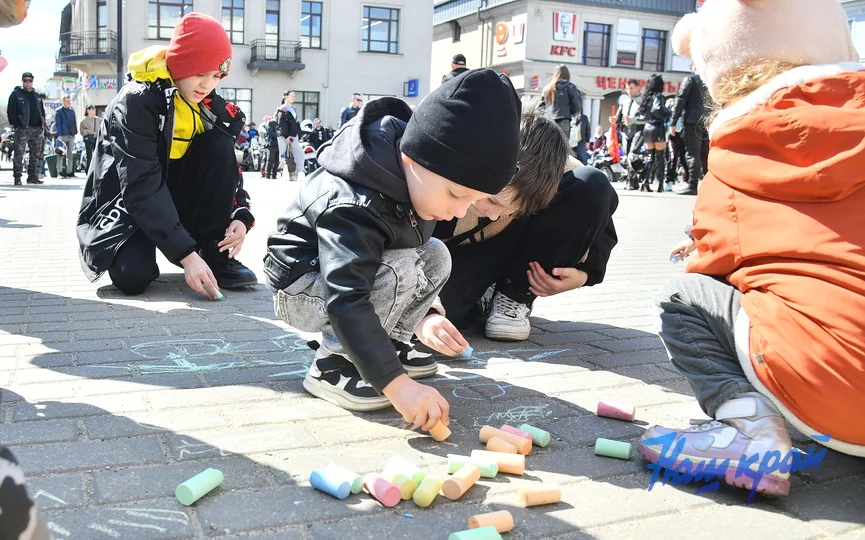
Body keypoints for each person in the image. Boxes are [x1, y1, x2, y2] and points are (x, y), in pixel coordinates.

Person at [640, 0, 865, 498]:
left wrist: (707, 247)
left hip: (841, 392)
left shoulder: (742, 149)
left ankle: (754, 435)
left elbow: (712, 265)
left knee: (683, 297)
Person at [265, 69, 522, 429]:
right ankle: (333, 365)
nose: (459, 211)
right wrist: (395, 384)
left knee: (436, 253)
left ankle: (391, 346)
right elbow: (346, 297)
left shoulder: (419, 182)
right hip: (302, 288)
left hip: (346, 279)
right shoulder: (355, 201)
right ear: (415, 159)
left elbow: (416, 256)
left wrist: (426, 314)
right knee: (396, 268)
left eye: (472, 201)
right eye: (455, 195)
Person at [77, 12, 258, 298]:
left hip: (170, 196)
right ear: (181, 63)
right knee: (132, 277)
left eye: (216, 76)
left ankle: (214, 253)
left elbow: (225, 167)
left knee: (220, 143)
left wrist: (240, 216)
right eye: (200, 73)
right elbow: (141, 183)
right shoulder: (136, 101)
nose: (207, 85)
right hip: (128, 202)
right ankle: (178, 248)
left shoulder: (208, 105)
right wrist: (186, 255)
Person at [436, 102, 617, 341]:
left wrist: (585, 275)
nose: (493, 214)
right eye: (491, 200)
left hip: (515, 246)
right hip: (460, 252)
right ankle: (481, 295)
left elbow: (599, 220)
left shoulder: (555, 170)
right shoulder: (450, 161)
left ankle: (514, 294)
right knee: (441, 313)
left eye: (506, 208)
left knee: (591, 184)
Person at [670, 65, 710, 196]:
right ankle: (709, 184)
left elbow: (680, 99)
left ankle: (692, 184)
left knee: (693, 153)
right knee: (705, 154)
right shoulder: (711, 79)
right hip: (708, 121)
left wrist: (673, 121)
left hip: (692, 121)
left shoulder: (690, 80)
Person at [633, 74, 671, 193]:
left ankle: (645, 182)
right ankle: (660, 184)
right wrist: (668, 112)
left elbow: (640, 113)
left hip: (648, 127)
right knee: (660, 157)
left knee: (650, 156)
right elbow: (657, 110)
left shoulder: (647, 97)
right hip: (657, 127)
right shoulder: (658, 96)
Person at [6, 72, 45, 185]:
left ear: (32, 82)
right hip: (23, 128)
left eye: (30, 81)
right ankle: (17, 177)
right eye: (25, 81)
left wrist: (42, 123)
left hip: (37, 128)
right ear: (22, 81)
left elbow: (41, 111)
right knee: (19, 153)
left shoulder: (36, 96)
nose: (27, 83)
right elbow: (11, 111)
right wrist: (16, 125)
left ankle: (33, 177)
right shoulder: (16, 94)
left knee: (36, 154)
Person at [612, 79, 643, 190]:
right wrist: (614, 119)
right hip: (626, 131)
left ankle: (631, 181)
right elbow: (618, 116)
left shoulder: (643, 101)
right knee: (626, 156)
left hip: (638, 130)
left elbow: (647, 117)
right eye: (627, 88)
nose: (629, 91)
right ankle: (633, 181)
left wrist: (633, 120)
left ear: (638, 88)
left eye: (631, 88)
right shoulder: (624, 101)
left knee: (632, 155)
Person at [542, 64, 582, 139]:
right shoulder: (570, 86)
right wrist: (574, 114)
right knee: (563, 143)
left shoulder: (548, 88)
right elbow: (576, 104)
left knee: (550, 143)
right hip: (564, 120)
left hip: (550, 121)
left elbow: (541, 106)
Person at [275, 90, 302, 181]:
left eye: (294, 96)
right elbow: (281, 123)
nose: (293, 98)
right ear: (286, 97)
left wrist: (299, 133)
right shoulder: (282, 109)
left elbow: (295, 122)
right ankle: (284, 173)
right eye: (292, 96)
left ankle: (296, 173)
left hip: (293, 135)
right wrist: (286, 136)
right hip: (283, 136)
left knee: (299, 154)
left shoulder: (293, 108)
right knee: (283, 155)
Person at [54, 96, 78, 177]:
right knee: (60, 154)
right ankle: (60, 172)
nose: (69, 103)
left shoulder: (72, 111)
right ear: (63, 101)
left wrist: (74, 133)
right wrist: (59, 135)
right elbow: (58, 124)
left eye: (69, 101)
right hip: (62, 135)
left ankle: (69, 172)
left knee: (70, 154)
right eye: (67, 101)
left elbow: (74, 122)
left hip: (71, 135)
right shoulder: (58, 111)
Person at [79, 104, 99, 173]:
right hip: (89, 139)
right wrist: (90, 132)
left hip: (97, 139)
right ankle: (88, 171)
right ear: (88, 110)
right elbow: (82, 131)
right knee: (89, 156)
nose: (94, 111)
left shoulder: (98, 119)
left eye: (94, 110)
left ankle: (96, 170)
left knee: (97, 155)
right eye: (92, 110)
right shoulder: (83, 121)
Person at [261, 115, 280, 179]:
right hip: (271, 144)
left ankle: (274, 174)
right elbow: (271, 133)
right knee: (270, 160)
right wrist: (279, 135)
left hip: (278, 144)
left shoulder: (279, 123)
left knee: (277, 161)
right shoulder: (271, 123)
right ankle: (267, 174)